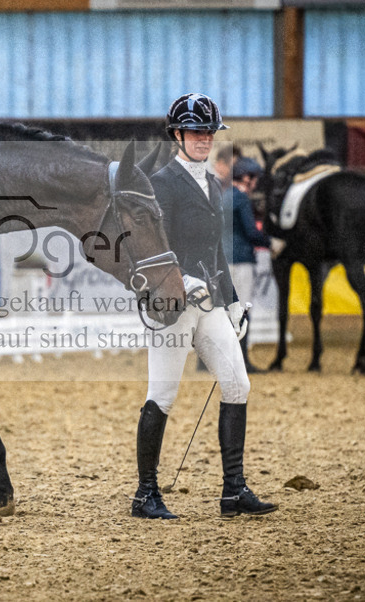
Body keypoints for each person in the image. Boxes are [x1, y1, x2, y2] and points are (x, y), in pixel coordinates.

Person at [131, 93, 277, 520]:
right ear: (177, 135)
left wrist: (232, 302)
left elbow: (216, 250)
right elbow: (152, 246)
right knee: (162, 394)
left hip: (210, 303)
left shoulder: (214, 184)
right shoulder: (160, 183)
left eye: (209, 132)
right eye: (196, 132)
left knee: (237, 384)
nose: (204, 139)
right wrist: (183, 279)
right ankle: (145, 494)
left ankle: (234, 490)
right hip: (172, 303)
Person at [221, 157, 271, 373]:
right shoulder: (241, 198)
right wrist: (270, 243)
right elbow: (251, 231)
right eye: (255, 179)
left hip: (223, 260)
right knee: (241, 312)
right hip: (241, 260)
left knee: (223, 312)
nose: (256, 184)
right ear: (247, 178)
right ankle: (242, 362)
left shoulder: (222, 195)